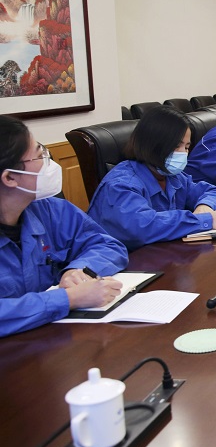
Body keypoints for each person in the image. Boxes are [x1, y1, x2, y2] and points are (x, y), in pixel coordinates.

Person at [0, 115, 127, 337]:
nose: (49, 163)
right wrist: (69, 299)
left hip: (53, 339)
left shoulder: (51, 210)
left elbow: (108, 245)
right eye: (40, 156)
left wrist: (78, 270)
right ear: (10, 178)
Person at [88, 106, 216, 251]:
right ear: (153, 145)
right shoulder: (121, 184)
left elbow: (215, 192)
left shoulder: (171, 176)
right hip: (120, 260)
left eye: (186, 147)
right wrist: (205, 220)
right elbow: (143, 227)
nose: (183, 153)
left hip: (160, 254)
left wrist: (205, 206)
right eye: (176, 146)